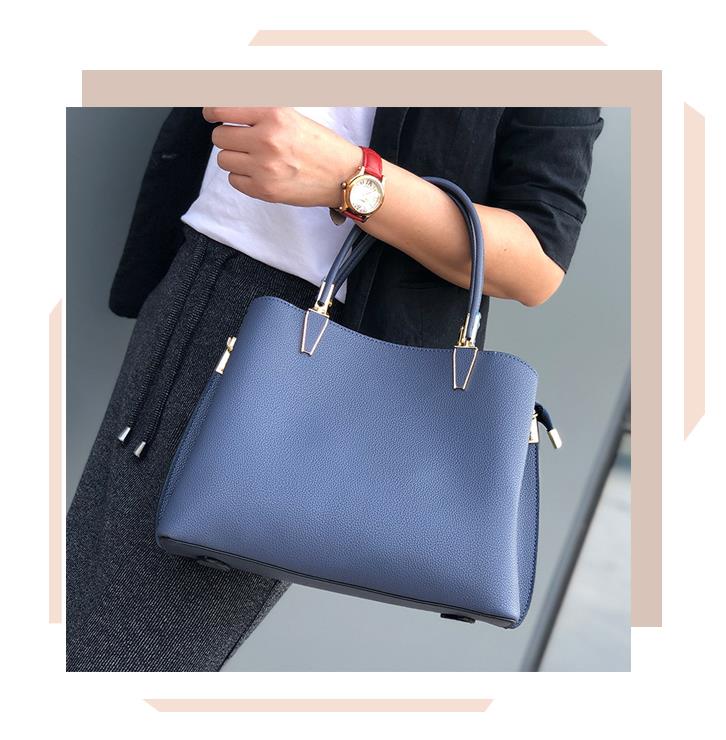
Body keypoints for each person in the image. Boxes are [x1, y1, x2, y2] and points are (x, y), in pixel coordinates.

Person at [66, 106, 604, 671]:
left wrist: (354, 179)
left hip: (298, 354)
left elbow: (538, 258)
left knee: (113, 660)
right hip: (197, 271)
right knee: (78, 611)